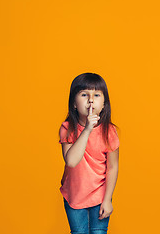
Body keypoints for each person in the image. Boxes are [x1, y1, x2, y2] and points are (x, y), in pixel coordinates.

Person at [58, 73, 120, 234]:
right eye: (84, 94)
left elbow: (112, 167)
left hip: (99, 196)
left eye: (97, 95)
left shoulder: (110, 131)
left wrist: (107, 200)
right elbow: (71, 161)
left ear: (104, 104)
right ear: (74, 104)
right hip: (74, 196)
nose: (91, 100)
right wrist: (87, 130)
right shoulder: (67, 129)